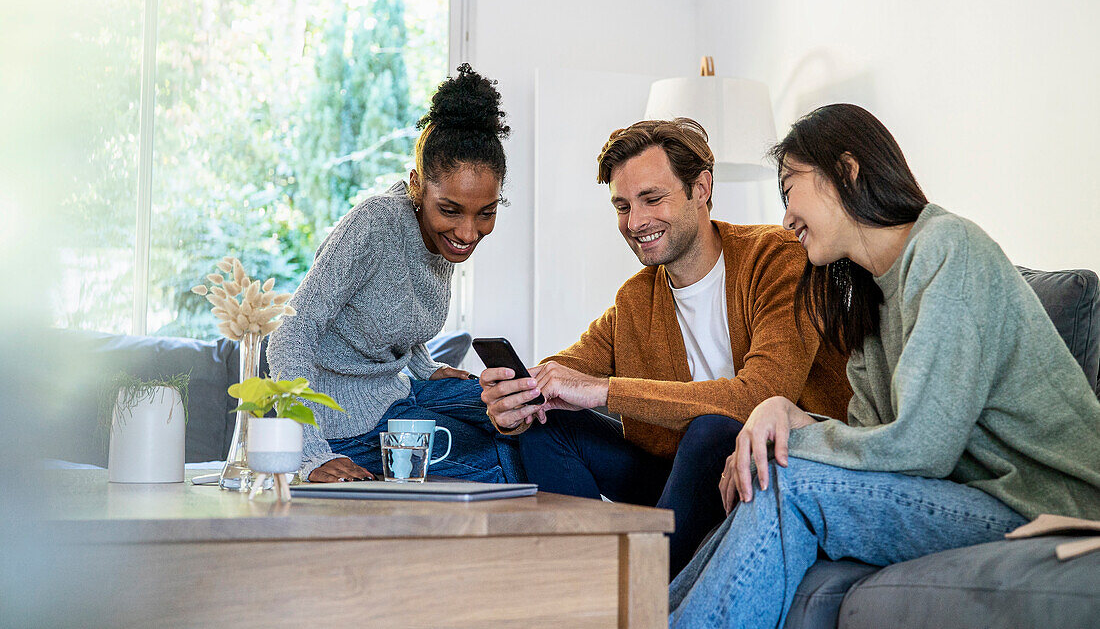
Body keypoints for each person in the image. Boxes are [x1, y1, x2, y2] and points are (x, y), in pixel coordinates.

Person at [668, 104, 1100, 628]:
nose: (785, 218)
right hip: (972, 495)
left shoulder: (948, 247)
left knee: (788, 480)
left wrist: (791, 441)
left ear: (846, 171)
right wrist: (784, 414)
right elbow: (875, 441)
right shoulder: (870, 298)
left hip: (1050, 507)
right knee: (773, 472)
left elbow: (921, 447)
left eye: (789, 188)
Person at [480, 118, 851, 576]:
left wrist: (603, 391)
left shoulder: (775, 257)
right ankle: (581, 580)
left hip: (765, 469)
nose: (635, 222)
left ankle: (645, 591)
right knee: (547, 424)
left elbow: (762, 395)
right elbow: (570, 366)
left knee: (712, 429)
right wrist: (520, 395)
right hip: (676, 477)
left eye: (652, 199)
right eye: (622, 206)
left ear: (701, 189)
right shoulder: (636, 297)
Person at [267, 64, 523, 484]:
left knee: (520, 412)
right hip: (341, 424)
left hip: (395, 393)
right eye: (451, 210)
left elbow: (393, 313)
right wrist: (309, 454)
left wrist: (425, 366)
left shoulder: (442, 239)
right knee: (501, 459)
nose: (467, 232)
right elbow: (289, 335)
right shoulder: (374, 226)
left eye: (486, 213)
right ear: (417, 186)